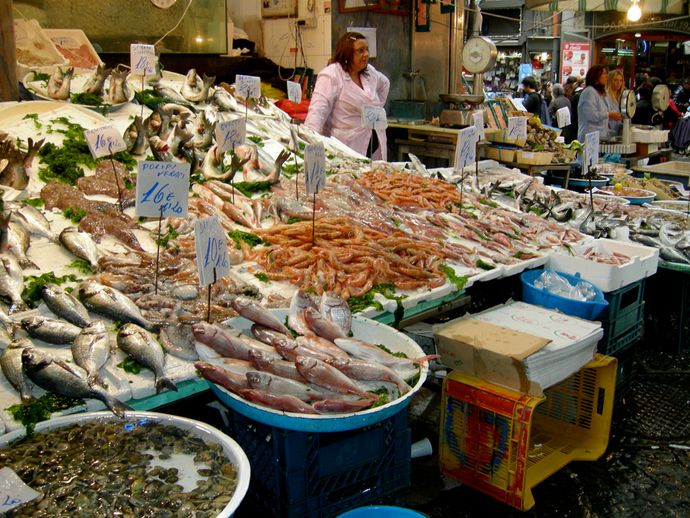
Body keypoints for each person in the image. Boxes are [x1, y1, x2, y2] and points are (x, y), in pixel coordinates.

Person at [305, 31, 390, 160]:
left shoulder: (369, 72)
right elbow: (317, 112)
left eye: (367, 49)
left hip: (373, 143)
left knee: (373, 177)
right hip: (344, 145)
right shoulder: (331, 75)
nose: (366, 54)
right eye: (360, 50)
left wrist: (373, 109)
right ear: (347, 53)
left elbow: (385, 85)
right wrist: (309, 146)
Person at [577, 65, 623, 143]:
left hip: (600, 138)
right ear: (596, 77)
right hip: (589, 137)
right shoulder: (589, 92)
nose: (606, 76)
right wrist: (609, 115)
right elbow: (591, 115)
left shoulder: (602, 93)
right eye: (604, 74)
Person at [605, 69, 625, 137]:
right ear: (610, 81)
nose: (618, 83)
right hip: (607, 133)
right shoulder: (605, 97)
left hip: (620, 132)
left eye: (621, 80)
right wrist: (610, 115)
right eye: (616, 80)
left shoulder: (622, 97)